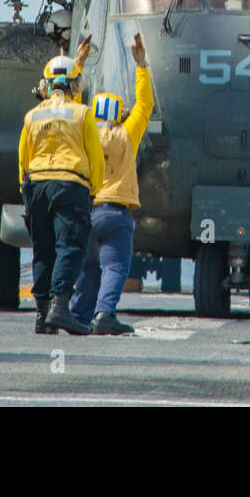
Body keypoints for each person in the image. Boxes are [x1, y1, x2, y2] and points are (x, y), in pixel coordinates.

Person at [18, 37, 103, 336]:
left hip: (37, 187)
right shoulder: (82, 114)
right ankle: (60, 308)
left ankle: (42, 316)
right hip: (70, 185)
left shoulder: (32, 116)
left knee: (42, 250)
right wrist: (94, 192)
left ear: (45, 85)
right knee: (70, 246)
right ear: (74, 86)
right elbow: (96, 158)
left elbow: (23, 160)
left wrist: (25, 192)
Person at [71, 33, 154, 335]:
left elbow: (70, 101)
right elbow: (144, 105)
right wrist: (141, 64)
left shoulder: (82, 132)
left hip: (86, 211)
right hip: (115, 214)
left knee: (87, 267)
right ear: (119, 114)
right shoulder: (126, 136)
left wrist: (78, 64)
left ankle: (79, 316)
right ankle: (105, 314)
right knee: (115, 267)